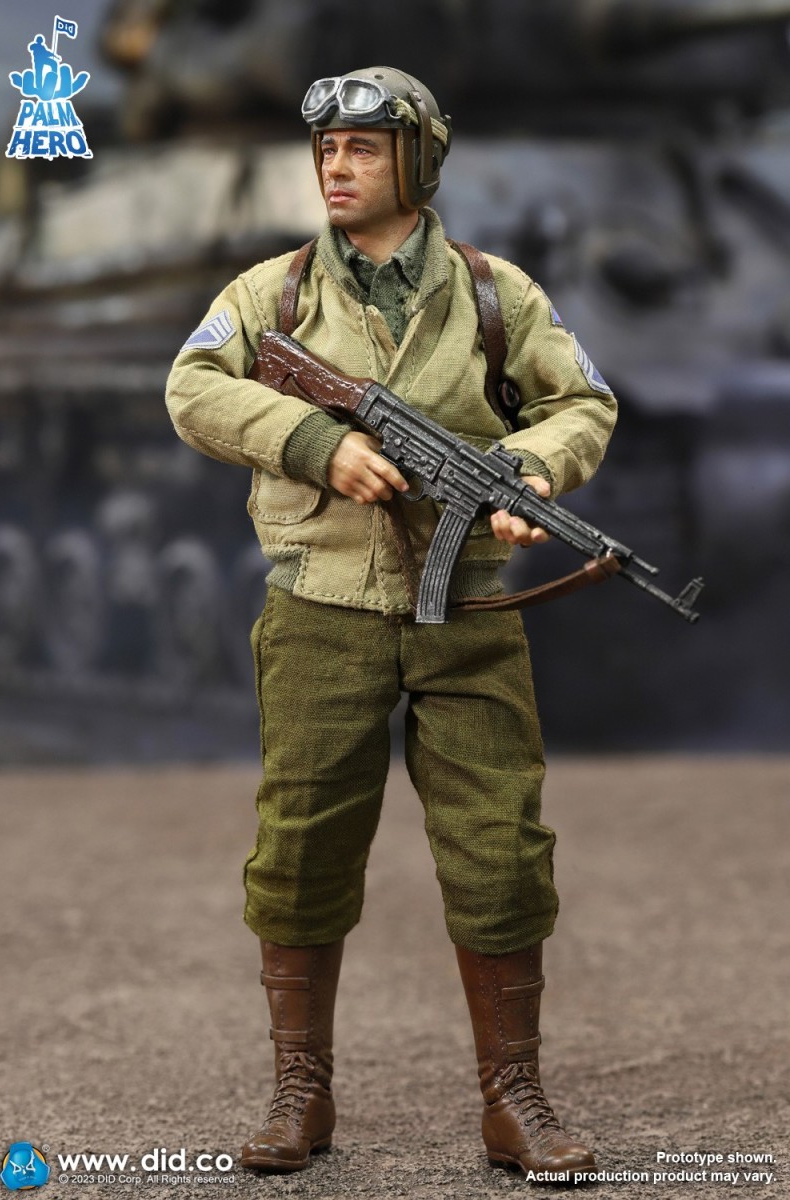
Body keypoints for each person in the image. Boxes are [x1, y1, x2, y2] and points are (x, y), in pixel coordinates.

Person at [165, 66, 616, 1177]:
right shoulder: (274, 294)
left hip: (469, 613)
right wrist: (317, 444)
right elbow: (194, 386)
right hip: (321, 610)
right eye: (326, 149)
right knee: (301, 847)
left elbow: (581, 402)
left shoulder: (495, 294)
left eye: (362, 149)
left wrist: (527, 470)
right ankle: (299, 1090)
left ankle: (513, 1095)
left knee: (501, 851)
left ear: (417, 161)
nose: (336, 166)